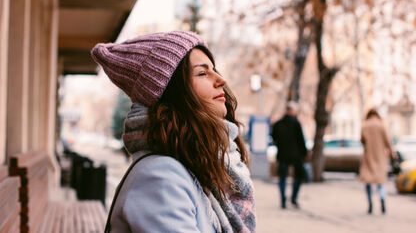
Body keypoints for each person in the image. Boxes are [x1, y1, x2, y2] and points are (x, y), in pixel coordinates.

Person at [91, 31, 256, 232]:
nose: (221, 80)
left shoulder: (195, 170)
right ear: (172, 94)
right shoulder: (161, 176)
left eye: (214, 70)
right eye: (202, 73)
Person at [271, 101, 307, 209]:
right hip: (296, 156)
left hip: (282, 155)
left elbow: (274, 138)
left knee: (282, 178)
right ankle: (294, 198)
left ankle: (283, 199)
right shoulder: (296, 123)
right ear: (292, 111)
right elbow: (301, 140)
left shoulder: (278, 124)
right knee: (297, 177)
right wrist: (304, 153)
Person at [360, 108, 395, 214]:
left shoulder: (365, 125)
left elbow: (362, 140)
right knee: (381, 181)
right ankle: (382, 200)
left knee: (368, 181)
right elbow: (388, 141)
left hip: (369, 156)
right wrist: (392, 153)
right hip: (380, 156)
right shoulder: (381, 124)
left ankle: (370, 203)